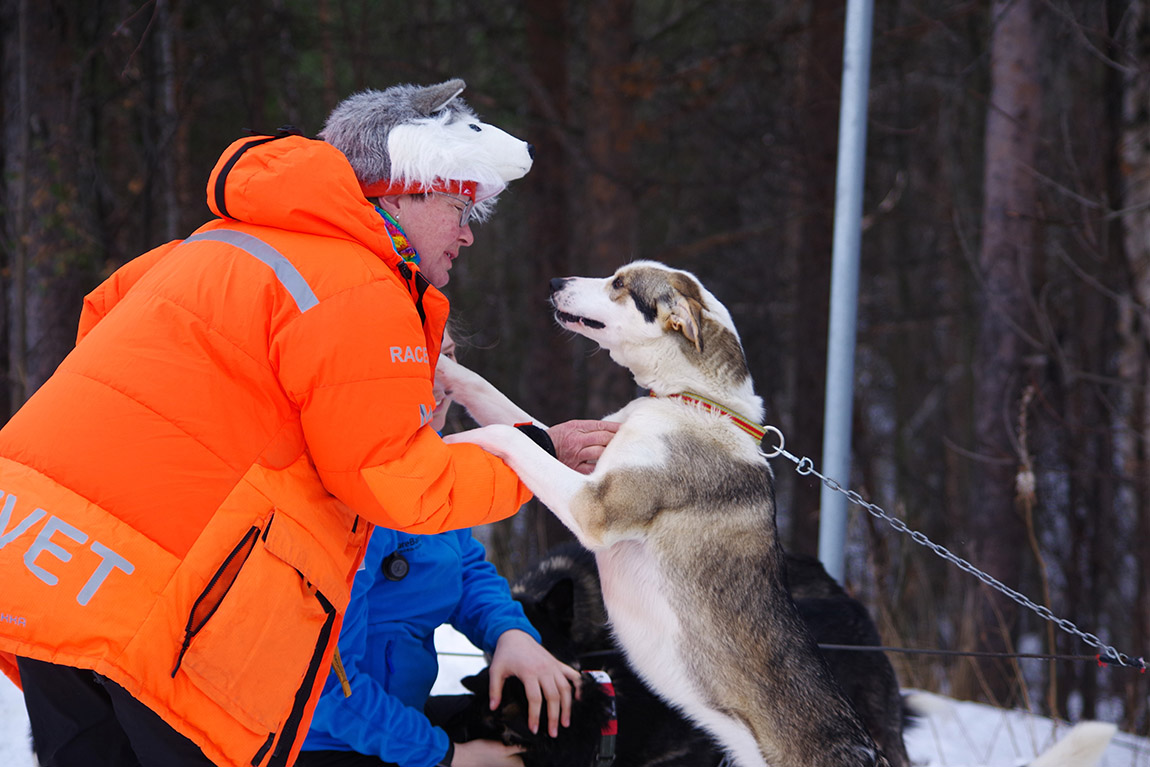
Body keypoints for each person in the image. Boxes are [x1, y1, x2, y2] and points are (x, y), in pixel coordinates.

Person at [0, 78, 615, 767]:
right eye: (459, 204)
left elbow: (102, 323)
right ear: (401, 188)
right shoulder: (358, 282)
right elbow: (393, 483)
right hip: (162, 610)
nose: (468, 233)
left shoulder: (216, 244)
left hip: (43, 559)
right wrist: (535, 456)